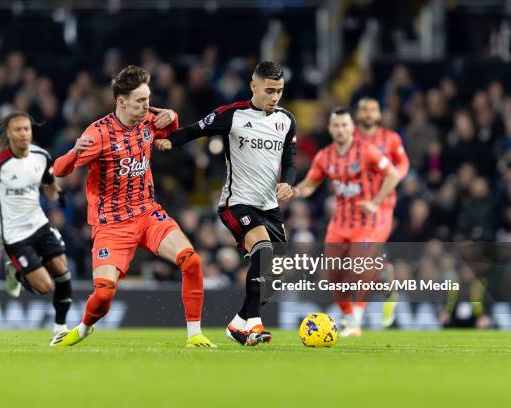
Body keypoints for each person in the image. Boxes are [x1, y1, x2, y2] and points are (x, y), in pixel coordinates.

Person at [50, 65, 215, 348]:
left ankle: (195, 334)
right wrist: (73, 152)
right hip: (112, 224)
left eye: (148, 99)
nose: (147, 106)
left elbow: (168, 134)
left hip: (147, 212)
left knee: (192, 261)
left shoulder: (149, 118)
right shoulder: (99, 133)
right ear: (121, 102)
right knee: (102, 296)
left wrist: (172, 117)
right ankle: (84, 328)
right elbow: (59, 170)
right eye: (140, 101)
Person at [156, 61, 296, 346]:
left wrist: (288, 182)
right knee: (263, 250)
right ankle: (255, 324)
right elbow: (197, 129)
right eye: (269, 90)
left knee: (277, 274)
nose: (275, 97)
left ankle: (239, 323)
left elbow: (290, 160)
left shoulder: (286, 120)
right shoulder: (234, 115)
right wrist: (170, 141)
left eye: (279, 91)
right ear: (254, 86)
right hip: (238, 203)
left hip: (270, 206)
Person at [293, 107, 401, 336]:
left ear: (352, 128)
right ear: (330, 129)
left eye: (345, 125)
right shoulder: (325, 156)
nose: (341, 130)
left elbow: (393, 174)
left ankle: (355, 321)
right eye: (336, 126)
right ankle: (376, 280)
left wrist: (375, 202)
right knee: (333, 273)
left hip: (365, 220)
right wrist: (293, 191)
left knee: (357, 265)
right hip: (340, 222)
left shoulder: (368, 151)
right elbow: (310, 184)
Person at [0, 111, 73, 342]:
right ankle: (16, 271)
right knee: (44, 287)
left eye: (27, 129)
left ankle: (59, 329)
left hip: (39, 224)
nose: (23, 134)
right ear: (9, 134)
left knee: (63, 273)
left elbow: (48, 184)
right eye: (18, 130)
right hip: (14, 235)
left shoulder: (41, 156)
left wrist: (57, 195)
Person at [354, 97, 410, 327]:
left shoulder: (391, 139)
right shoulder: (351, 139)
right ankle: (387, 282)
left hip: (382, 205)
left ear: (378, 114)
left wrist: (392, 179)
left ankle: (366, 305)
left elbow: (403, 164)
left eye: (372, 110)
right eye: (364, 110)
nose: (368, 114)